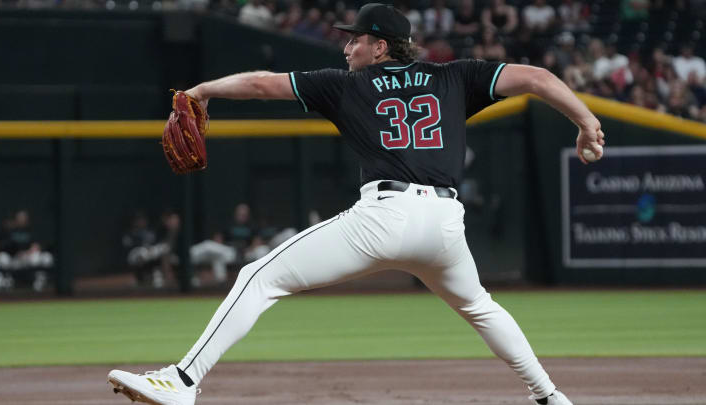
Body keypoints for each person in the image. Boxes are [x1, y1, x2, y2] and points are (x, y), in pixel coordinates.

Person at [108, 3, 605, 405]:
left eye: (356, 39)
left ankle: (183, 381)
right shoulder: (457, 77)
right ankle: (550, 396)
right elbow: (539, 78)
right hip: (445, 224)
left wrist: (200, 91)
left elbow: (261, 83)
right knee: (479, 306)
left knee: (257, 277)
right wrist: (586, 123)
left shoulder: (345, 85)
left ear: (380, 46)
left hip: (385, 217)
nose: (347, 46)